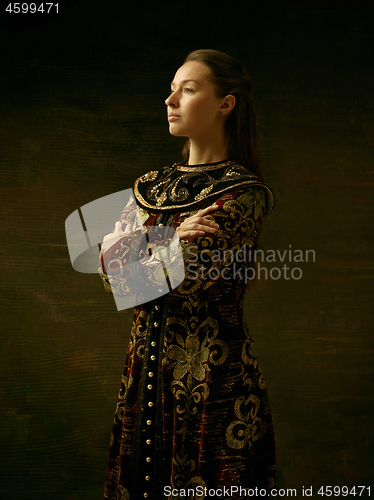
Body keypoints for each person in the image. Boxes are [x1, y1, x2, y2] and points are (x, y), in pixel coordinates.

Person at [99, 49, 276, 500]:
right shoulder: (150, 185)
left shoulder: (244, 192)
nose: (170, 99)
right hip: (144, 372)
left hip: (210, 378)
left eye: (189, 89)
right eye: (172, 88)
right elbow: (115, 281)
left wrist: (140, 245)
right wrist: (174, 240)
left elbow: (189, 278)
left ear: (225, 104)